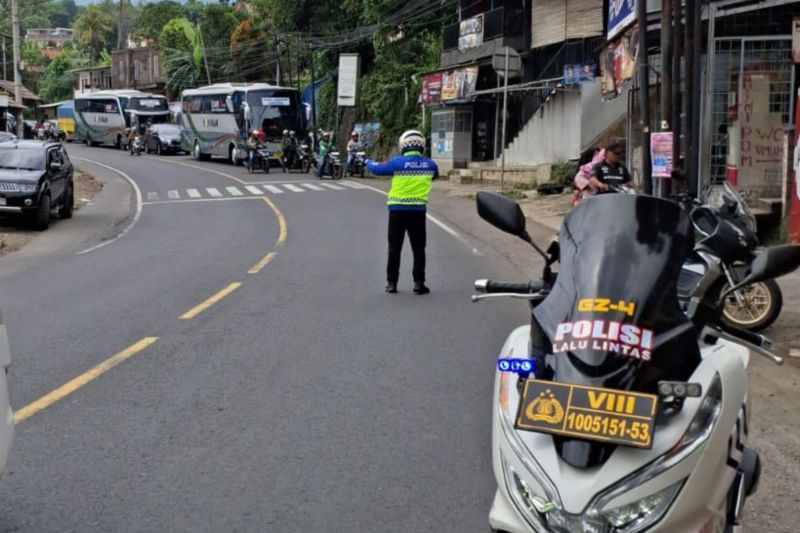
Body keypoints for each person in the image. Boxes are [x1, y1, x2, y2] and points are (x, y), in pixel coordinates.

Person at [366, 130, 438, 295]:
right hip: (418, 212)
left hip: (397, 211)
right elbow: (434, 176)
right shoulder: (431, 165)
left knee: (394, 248)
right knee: (419, 248)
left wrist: (367, 161)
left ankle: (392, 283)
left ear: (403, 145)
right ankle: (419, 283)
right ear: (422, 146)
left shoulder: (396, 163)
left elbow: (376, 169)